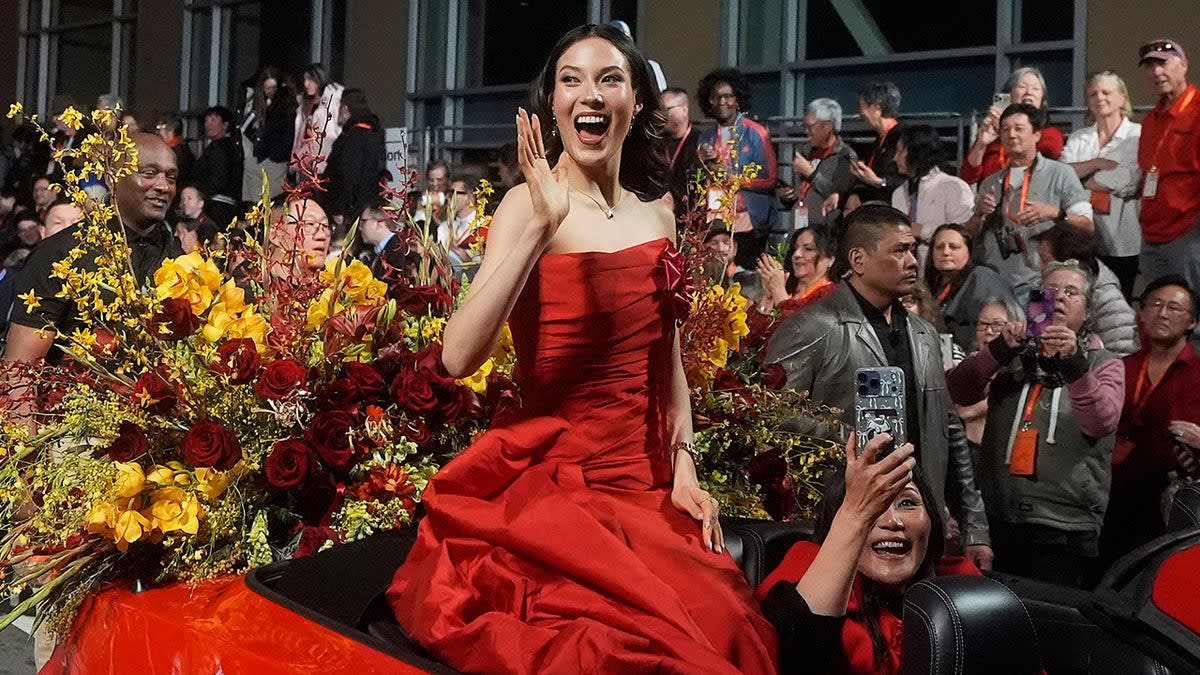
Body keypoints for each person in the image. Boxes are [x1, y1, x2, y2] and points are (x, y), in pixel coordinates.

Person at [387, 24, 777, 674]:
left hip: (647, 485)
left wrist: (686, 467)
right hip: (560, 487)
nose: (587, 93)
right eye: (571, 79)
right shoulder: (522, 205)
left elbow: (668, 358)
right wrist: (541, 227)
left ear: (637, 103)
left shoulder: (656, 211)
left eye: (608, 78)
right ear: (553, 105)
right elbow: (457, 356)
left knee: (731, 625)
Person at [766, 203, 993, 570]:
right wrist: (860, 441)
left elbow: (949, 428)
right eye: (900, 251)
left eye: (913, 250)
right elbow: (771, 414)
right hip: (838, 525)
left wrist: (975, 527)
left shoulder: (924, 334)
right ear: (858, 259)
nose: (914, 262)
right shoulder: (812, 326)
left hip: (917, 529)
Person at [946, 260, 1124, 587]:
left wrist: (1073, 364)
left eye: (1071, 292)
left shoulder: (1104, 364)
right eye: (1050, 290)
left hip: (1064, 527)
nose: (1058, 298)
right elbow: (958, 390)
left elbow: (1100, 422)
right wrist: (998, 349)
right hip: (1001, 518)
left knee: (1050, 626)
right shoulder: (1012, 355)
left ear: (1087, 313)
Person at [759, 432, 979, 674]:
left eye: (907, 503)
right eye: (874, 505)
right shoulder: (805, 569)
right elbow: (795, 653)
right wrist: (857, 515)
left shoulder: (959, 586)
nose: (892, 521)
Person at [4, 132, 183, 367]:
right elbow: (19, 369)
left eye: (171, 178)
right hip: (76, 398)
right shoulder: (62, 253)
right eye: (149, 173)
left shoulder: (179, 257)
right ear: (111, 177)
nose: (163, 186)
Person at [1101, 275, 1200, 565]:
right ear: (1141, 313)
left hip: (1172, 498)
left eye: (1174, 307)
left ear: (1192, 322)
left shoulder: (1198, 374)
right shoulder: (1121, 367)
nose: (1162, 313)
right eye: (1155, 304)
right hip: (1112, 491)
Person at [965, 103, 1093, 301]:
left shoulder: (1061, 173)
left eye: (1019, 128)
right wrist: (979, 214)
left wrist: (1055, 213)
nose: (1011, 135)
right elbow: (970, 234)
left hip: (1041, 282)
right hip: (995, 283)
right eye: (1005, 129)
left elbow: (1087, 224)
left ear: (1036, 135)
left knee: (1037, 332)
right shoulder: (991, 182)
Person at [1060, 71, 1142, 299]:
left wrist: (1080, 180)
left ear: (1122, 98)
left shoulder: (1138, 135)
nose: (1099, 98)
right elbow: (1061, 177)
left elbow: (1127, 181)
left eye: (1106, 92)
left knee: (1117, 300)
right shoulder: (1078, 137)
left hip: (1121, 239)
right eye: (1093, 94)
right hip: (1081, 238)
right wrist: (1096, 163)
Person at [696, 68, 778, 269]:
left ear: (738, 99)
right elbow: (701, 179)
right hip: (715, 222)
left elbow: (770, 179)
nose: (722, 102)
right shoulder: (705, 137)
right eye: (715, 97)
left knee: (743, 281)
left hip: (746, 223)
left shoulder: (756, 133)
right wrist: (705, 162)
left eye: (727, 96)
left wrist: (733, 179)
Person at [1136, 38, 1200, 292]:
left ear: (1183, 65)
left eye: (1163, 64)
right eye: (1150, 66)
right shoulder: (1150, 121)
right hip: (1153, 234)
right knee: (1158, 314)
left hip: (1189, 232)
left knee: (1191, 313)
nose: (1156, 72)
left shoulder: (1197, 111)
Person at [1032, 223, 1138, 356]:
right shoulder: (1042, 287)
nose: (1039, 267)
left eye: (1045, 260)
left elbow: (1124, 355)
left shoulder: (1108, 301)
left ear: (1069, 264)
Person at [960, 67, 1066, 186]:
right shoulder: (992, 134)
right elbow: (967, 177)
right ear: (1008, 95)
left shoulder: (1049, 134)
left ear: (1042, 99)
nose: (1029, 92)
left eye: (1035, 88)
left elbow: (1052, 151)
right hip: (991, 199)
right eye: (1022, 87)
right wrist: (982, 143)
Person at [891, 125, 974, 267]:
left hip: (942, 272)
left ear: (916, 152)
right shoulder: (899, 193)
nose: (894, 158)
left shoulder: (953, 186)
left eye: (900, 151)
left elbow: (962, 233)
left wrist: (918, 231)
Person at [924, 223, 1015, 351]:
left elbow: (992, 330)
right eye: (939, 247)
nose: (945, 252)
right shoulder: (936, 286)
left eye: (954, 247)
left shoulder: (982, 278)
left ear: (969, 251)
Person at [779, 98, 857, 235]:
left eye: (810, 127)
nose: (806, 132)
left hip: (824, 235)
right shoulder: (804, 152)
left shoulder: (845, 156)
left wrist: (810, 173)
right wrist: (788, 197)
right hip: (798, 230)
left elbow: (838, 195)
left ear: (827, 126)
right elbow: (800, 193)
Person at [323, 88, 387, 226]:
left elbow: (348, 176)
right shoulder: (374, 134)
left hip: (349, 214)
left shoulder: (353, 138)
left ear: (346, 109)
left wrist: (339, 208)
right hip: (368, 209)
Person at [755, 225, 835, 318]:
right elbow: (755, 331)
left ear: (830, 259)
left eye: (808, 249)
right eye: (795, 249)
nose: (797, 254)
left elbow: (798, 328)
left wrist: (778, 290)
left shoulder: (832, 296)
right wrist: (767, 297)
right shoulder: (787, 287)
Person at [240, 66, 295, 201]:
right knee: (253, 205)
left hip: (275, 160)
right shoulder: (254, 102)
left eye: (273, 88)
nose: (270, 92)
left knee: (274, 204)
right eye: (267, 88)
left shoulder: (286, 103)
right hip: (255, 157)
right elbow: (244, 128)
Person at [847, 82, 905, 208]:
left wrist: (879, 182)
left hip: (896, 214)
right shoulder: (876, 143)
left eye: (862, 107)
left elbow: (915, 179)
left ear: (877, 108)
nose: (860, 113)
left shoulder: (905, 137)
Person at [191, 105, 243, 228]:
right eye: (206, 120)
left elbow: (219, 178)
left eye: (213, 120)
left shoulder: (221, 148)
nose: (208, 124)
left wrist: (201, 194)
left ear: (225, 125)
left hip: (217, 205)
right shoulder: (221, 146)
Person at [292, 63, 344, 175]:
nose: (306, 84)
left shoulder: (333, 100)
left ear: (319, 79)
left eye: (310, 80)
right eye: (305, 80)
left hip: (325, 164)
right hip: (305, 163)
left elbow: (334, 133)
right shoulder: (304, 103)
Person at [660, 87, 700, 221]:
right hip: (661, 215)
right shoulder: (656, 143)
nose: (661, 115)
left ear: (684, 110)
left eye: (666, 109)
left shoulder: (700, 141)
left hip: (692, 217)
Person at [155, 113, 194, 199]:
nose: (157, 133)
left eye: (159, 128)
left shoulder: (173, 153)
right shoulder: (183, 149)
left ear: (170, 131)